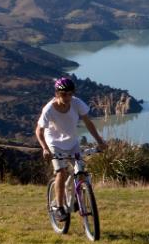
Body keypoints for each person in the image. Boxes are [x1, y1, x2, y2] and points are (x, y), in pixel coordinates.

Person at [35, 76, 107, 220]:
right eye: (63, 94)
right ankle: (59, 207)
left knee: (80, 172)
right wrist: (45, 148)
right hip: (54, 144)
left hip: (72, 143)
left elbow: (88, 123)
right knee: (61, 173)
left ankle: (75, 199)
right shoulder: (49, 109)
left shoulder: (77, 103)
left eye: (70, 93)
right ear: (57, 94)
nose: (67, 97)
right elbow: (39, 131)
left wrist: (100, 141)